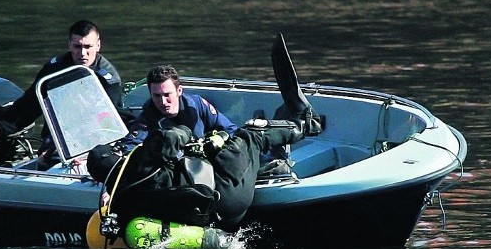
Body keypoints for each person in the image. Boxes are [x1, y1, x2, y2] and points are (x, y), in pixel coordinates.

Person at [88, 65, 321, 234]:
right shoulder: (146, 125)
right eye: (156, 96)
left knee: (245, 139)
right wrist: (112, 184)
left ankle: (273, 156)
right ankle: (301, 124)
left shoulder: (196, 105)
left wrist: (218, 138)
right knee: (252, 135)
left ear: (179, 91)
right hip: (197, 182)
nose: (163, 101)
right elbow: (132, 157)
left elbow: (229, 128)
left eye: (167, 95)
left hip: (213, 167)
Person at [0, 19, 122, 160]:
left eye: (88, 47)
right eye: (77, 46)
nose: (82, 53)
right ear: (69, 45)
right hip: (56, 142)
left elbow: (109, 125)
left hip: (93, 144)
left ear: (98, 46)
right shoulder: (54, 69)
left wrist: (85, 153)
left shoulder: (109, 80)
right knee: (47, 158)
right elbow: (29, 105)